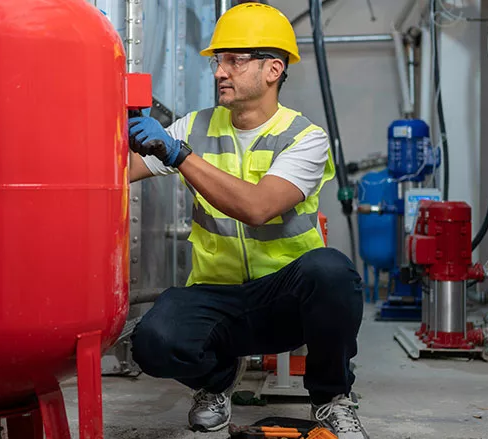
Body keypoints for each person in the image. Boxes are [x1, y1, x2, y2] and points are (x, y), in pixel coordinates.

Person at [126, 3, 367, 438]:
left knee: (332, 272)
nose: (220, 71)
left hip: (285, 299)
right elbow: (121, 173)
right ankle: (216, 383)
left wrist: (179, 155)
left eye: (235, 60)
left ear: (274, 69)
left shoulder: (304, 138)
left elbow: (258, 208)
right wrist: (110, 134)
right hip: (217, 297)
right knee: (152, 341)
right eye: (219, 61)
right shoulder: (195, 126)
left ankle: (331, 398)